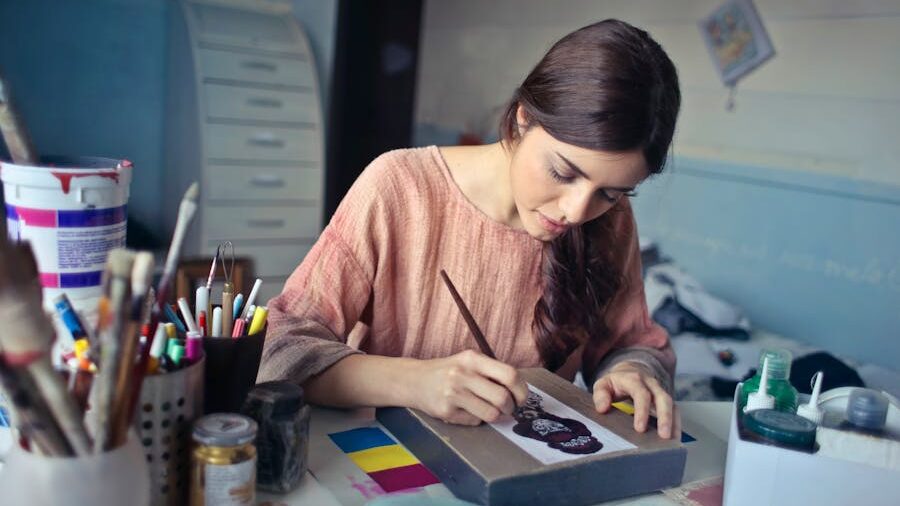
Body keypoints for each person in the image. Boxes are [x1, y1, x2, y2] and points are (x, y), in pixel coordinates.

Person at [258, 19, 682, 439]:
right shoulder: (399, 187)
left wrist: (632, 369)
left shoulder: (609, 218)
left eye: (610, 193)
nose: (576, 210)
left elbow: (633, 342)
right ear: (521, 119)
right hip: (383, 460)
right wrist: (414, 382)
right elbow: (281, 349)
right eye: (562, 171)